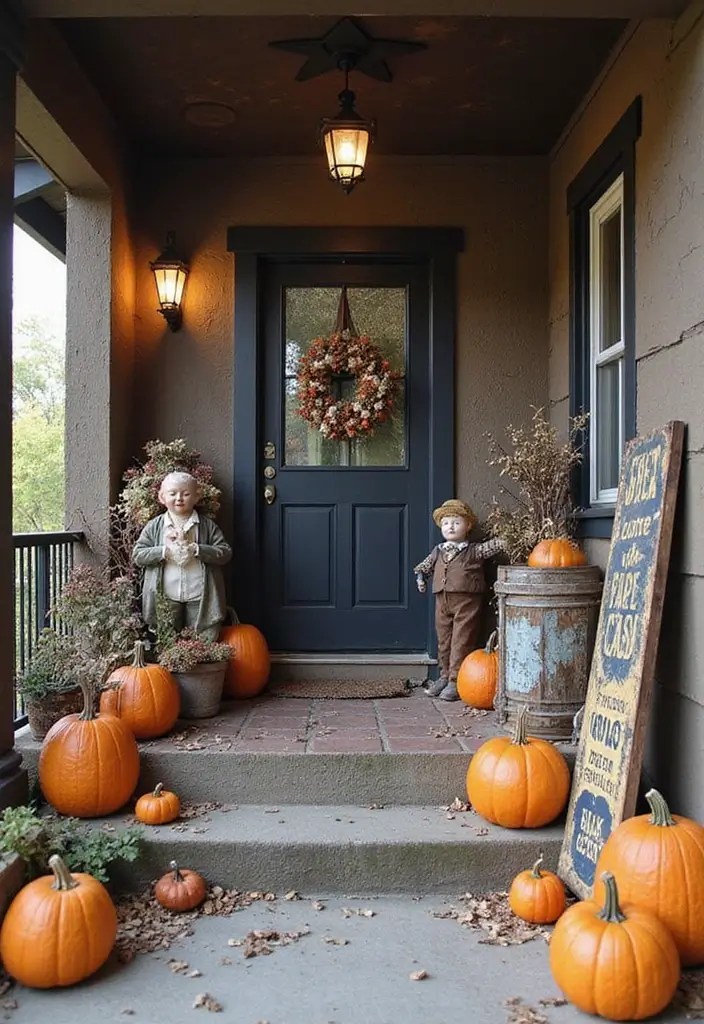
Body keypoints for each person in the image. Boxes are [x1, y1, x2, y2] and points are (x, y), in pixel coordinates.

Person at [413, 499, 503, 701]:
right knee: (444, 639)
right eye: (446, 523)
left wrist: (509, 534)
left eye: (456, 522)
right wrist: (420, 579)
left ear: (468, 525)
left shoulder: (474, 550)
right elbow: (422, 567)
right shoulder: (438, 551)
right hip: (442, 601)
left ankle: (457, 680)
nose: (450, 527)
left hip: (466, 601)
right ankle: (444, 675)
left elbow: (496, 545)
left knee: (462, 639)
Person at [133, 471, 232, 642]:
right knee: (166, 640)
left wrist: (197, 549)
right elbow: (138, 555)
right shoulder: (155, 527)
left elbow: (225, 553)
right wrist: (164, 551)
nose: (179, 498)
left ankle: (203, 666)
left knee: (203, 640)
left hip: (200, 594)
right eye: (173, 494)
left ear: (196, 497)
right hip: (166, 595)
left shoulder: (207, 526)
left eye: (186, 494)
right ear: (161, 497)